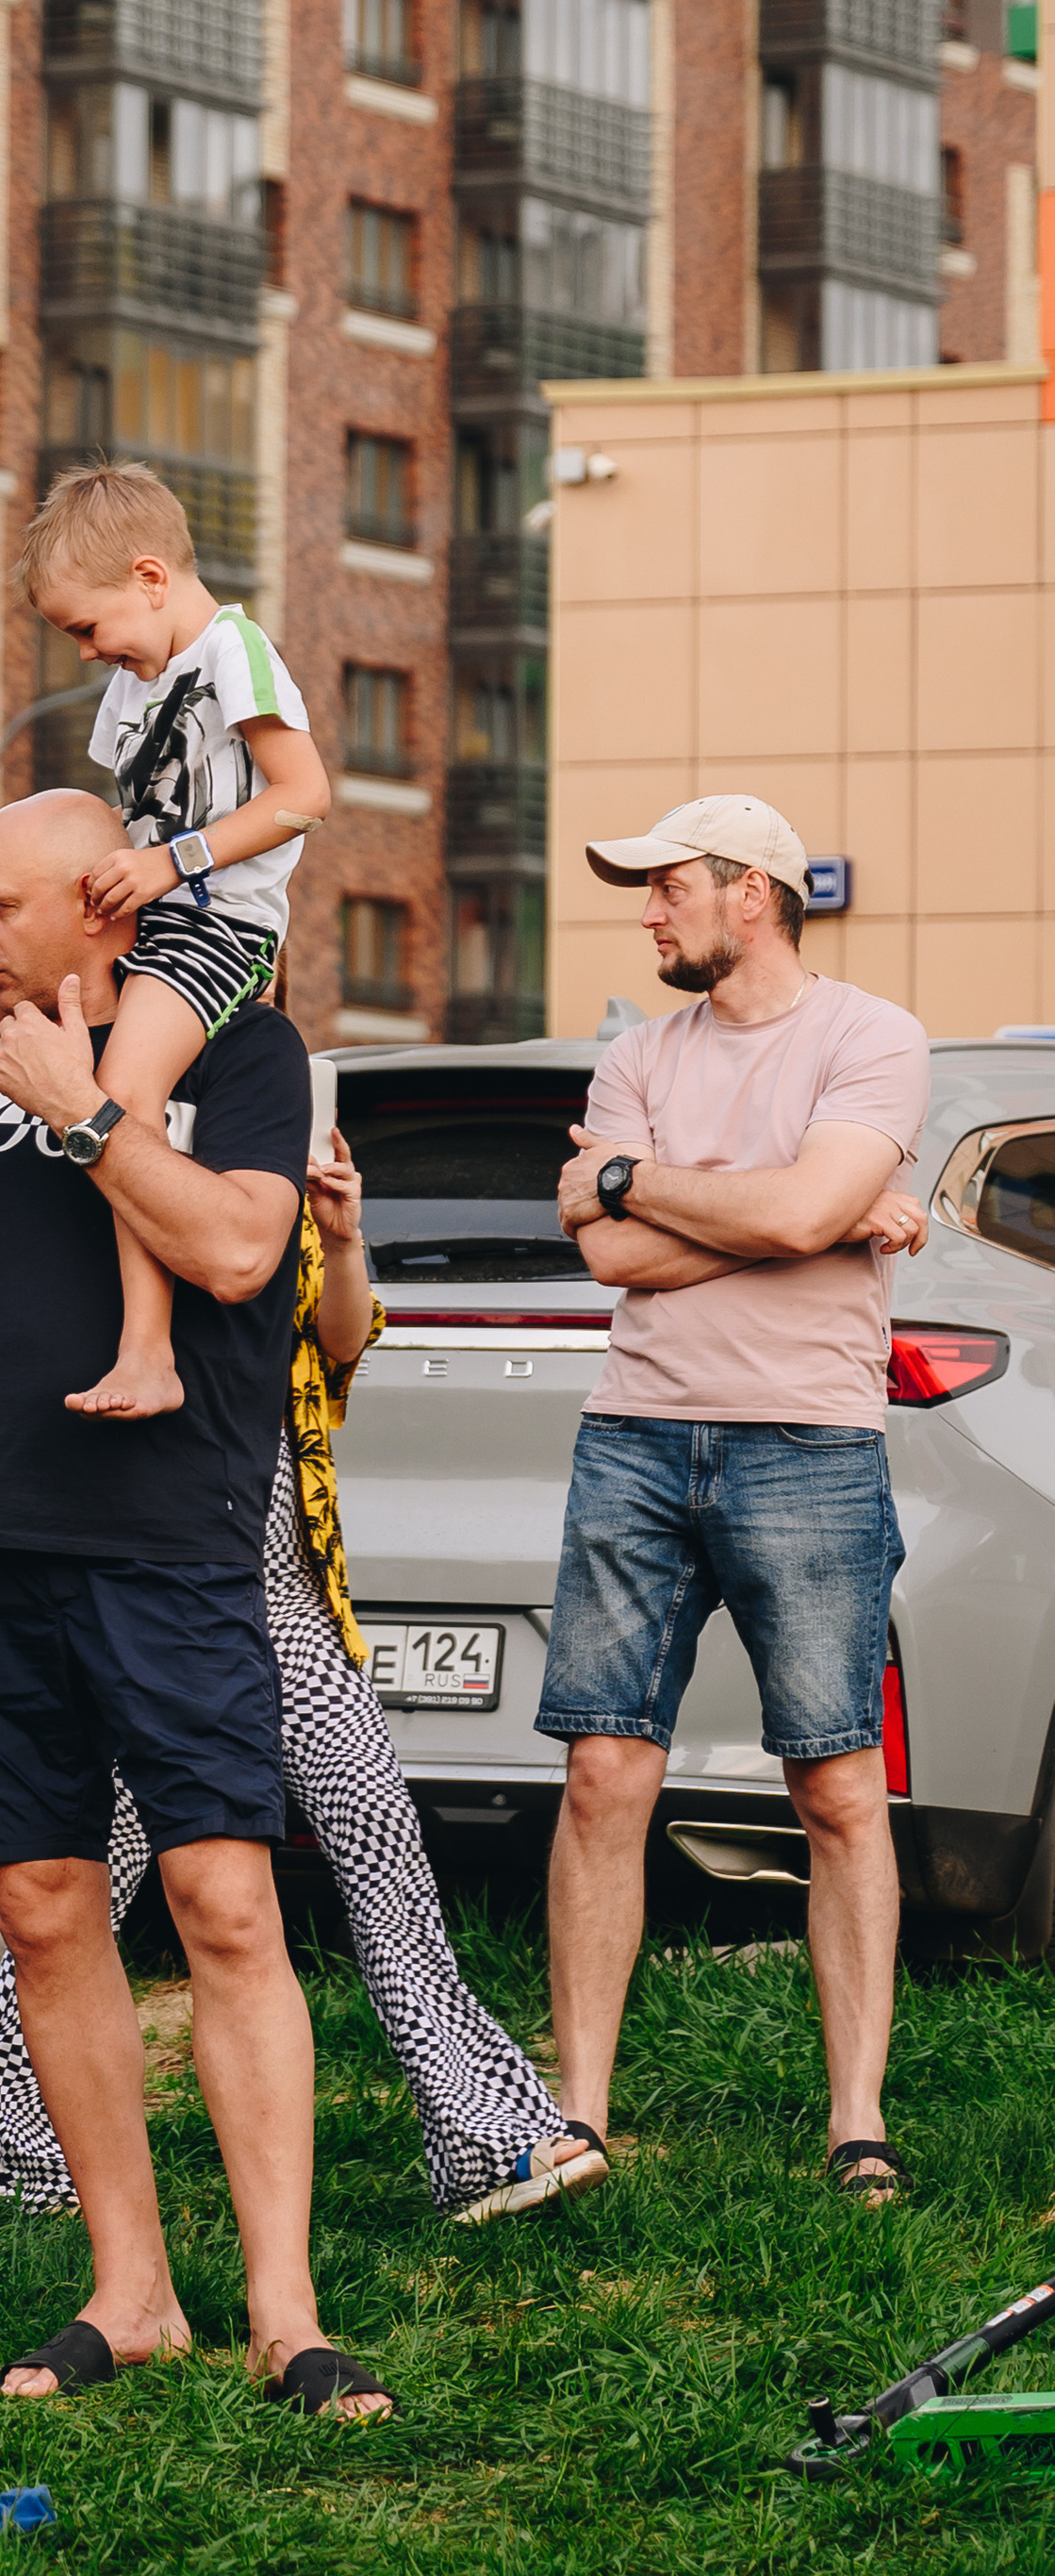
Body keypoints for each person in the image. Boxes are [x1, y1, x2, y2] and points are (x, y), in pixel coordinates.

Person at [0, 789, 389, 2415]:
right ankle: (129, 2287)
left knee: (225, 1902)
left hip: (169, 1534)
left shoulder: (238, 1053)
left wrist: (87, 1114)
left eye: (0, 903)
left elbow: (235, 1252)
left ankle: (286, 2310)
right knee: (43, 1909)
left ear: (102, 904)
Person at [0, 1134, 596, 2226]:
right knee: (82, 1873)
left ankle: (488, 2132)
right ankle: (27, 2153)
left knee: (375, 1830)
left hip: (274, 1562)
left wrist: (344, 1234)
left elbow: (339, 1346)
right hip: (145, 1560)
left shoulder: (262, 1151)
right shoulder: (117, 1139)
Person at [545, 796, 931, 2202]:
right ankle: (579, 2113)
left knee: (833, 1784)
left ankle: (857, 2121)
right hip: (637, 1438)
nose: (648, 910)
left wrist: (645, 1182)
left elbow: (693, 1216)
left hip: (809, 1441)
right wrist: (805, 1213)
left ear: (751, 891)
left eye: (668, 886)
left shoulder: (869, 1036)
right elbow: (611, 1259)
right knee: (602, 1774)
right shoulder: (636, 1050)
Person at [0, 467, 329, 1420]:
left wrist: (172, 865)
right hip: (143, 902)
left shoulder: (233, 654)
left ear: (148, 577)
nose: (88, 652)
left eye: (87, 628)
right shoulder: (137, 683)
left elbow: (302, 796)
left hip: (215, 921)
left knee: (119, 1094)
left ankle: (147, 1348)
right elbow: (119, 816)